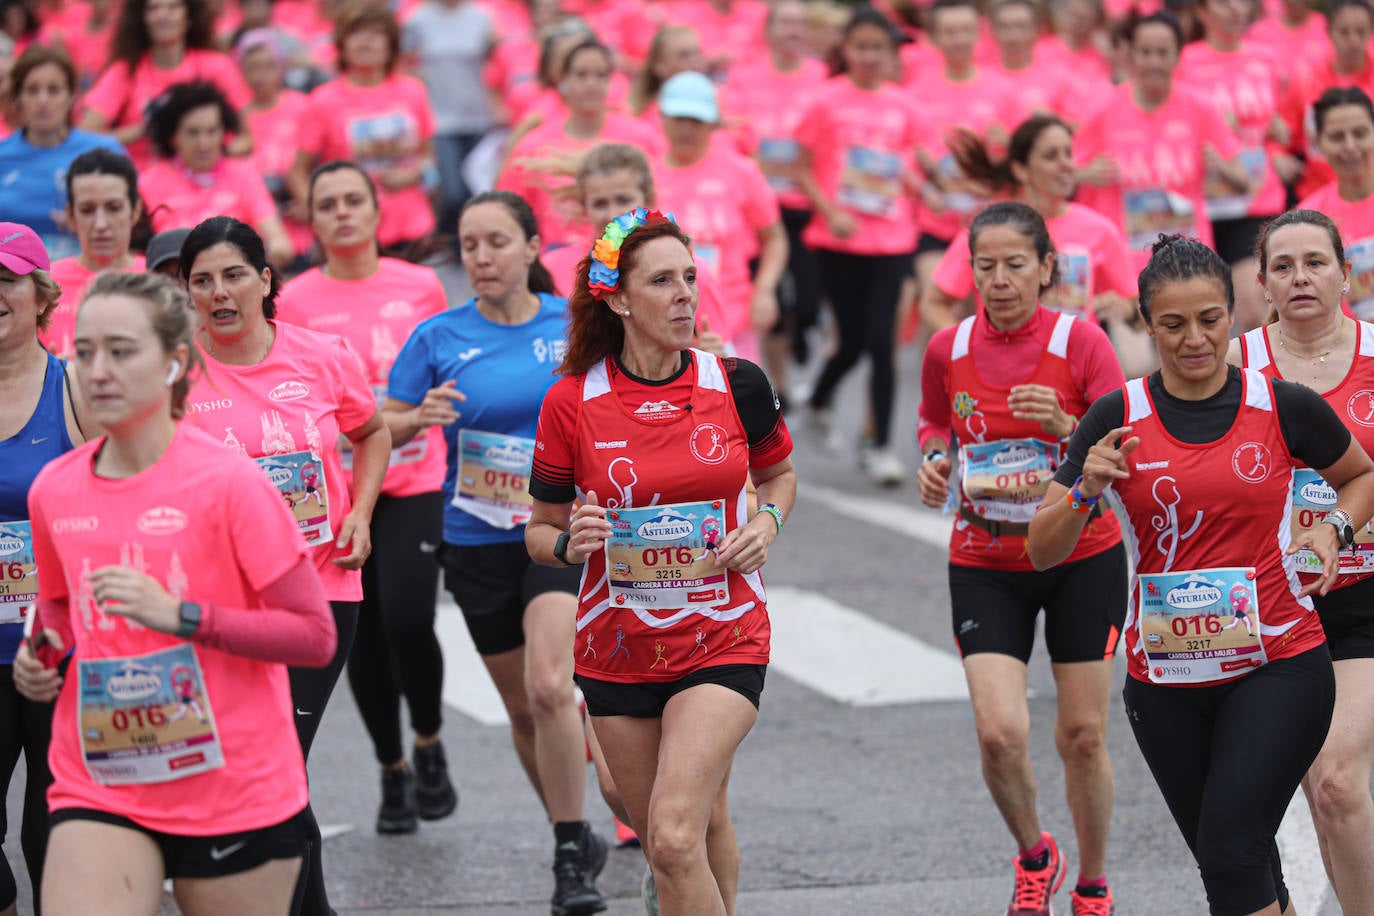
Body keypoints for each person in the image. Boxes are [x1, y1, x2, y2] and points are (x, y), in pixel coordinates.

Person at [1028, 235, 1374, 916]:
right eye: (1174, 324)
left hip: (1277, 661)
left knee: (1232, 847)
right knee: (1232, 870)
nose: (1194, 340)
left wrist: (1335, 531)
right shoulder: (1116, 416)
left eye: (1211, 320)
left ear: (1233, 315)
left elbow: (1361, 476)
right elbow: (1041, 549)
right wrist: (1082, 489)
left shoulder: (1283, 405)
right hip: (1166, 684)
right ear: (1146, 320)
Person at [15, 270, 337, 916]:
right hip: (102, 776)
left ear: (176, 363)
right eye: (84, 352)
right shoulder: (54, 488)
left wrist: (182, 616)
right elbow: (57, 606)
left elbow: (313, 635)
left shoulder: (231, 485)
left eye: (122, 350)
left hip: (232, 783)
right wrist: (40, 654)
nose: (98, 370)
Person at [526, 209, 796, 916]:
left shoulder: (734, 382)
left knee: (675, 838)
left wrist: (766, 521)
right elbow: (539, 529)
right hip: (617, 647)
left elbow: (781, 475)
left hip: (724, 632)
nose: (684, 295)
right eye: (661, 282)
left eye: (689, 277)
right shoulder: (571, 402)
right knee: (671, 838)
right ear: (617, 299)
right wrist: (569, 543)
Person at [383, 191, 607, 914]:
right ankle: (570, 829)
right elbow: (382, 422)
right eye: (470, 245)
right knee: (520, 710)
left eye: (497, 242)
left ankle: (568, 857)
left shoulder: (570, 326)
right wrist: (416, 418)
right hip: (474, 537)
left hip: (556, 533)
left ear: (533, 246)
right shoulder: (438, 337)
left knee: (550, 687)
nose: (481, 257)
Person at [918, 202, 1126, 916]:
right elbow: (932, 422)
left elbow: (1125, 448)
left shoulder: (1083, 342)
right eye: (986, 266)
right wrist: (933, 462)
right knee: (1000, 732)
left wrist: (1067, 427)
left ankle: (1093, 881)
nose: (1000, 281)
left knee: (1082, 734)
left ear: (1047, 269)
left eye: (1015, 265)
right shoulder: (948, 347)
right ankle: (1037, 852)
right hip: (984, 558)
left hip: (1079, 556)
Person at [178, 216, 389, 916]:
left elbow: (371, 431)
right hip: (227, 605)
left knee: (278, 758)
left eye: (234, 274)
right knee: (265, 768)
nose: (220, 292)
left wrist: (358, 512)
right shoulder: (178, 376)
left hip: (319, 592)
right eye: (202, 280)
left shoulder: (322, 356)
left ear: (266, 281)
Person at [278, 161, 456, 837]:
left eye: (355, 200)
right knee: (367, 635)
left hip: (412, 477)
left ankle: (430, 739)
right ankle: (391, 769)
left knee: (410, 618)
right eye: (328, 203)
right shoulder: (294, 298)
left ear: (378, 211)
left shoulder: (419, 285)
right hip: (335, 491)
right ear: (313, 219)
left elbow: (446, 365)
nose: (343, 213)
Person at [1234, 210, 1374, 915]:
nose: (1300, 278)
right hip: (1267, 607)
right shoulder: (1236, 367)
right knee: (1283, 796)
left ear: (1345, 273)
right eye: (1282, 267)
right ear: (1261, 285)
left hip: (1365, 602)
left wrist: (1340, 529)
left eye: (1315, 262)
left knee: (1336, 780)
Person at [0, 223, 92, 916]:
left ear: (39, 294)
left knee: (54, 825)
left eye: (5, 282)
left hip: (63, 646)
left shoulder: (76, 389)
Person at [794, 5, 926, 485]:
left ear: (892, 54)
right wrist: (831, 212)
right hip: (837, 240)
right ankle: (818, 397)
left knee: (880, 342)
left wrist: (919, 184)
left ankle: (879, 446)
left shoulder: (906, 107)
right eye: (862, 46)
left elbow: (909, 164)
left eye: (879, 47)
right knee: (849, 341)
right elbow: (801, 168)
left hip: (892, 239)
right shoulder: (825, 101)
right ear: (846, 50)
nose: (870, 55)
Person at [922, 116, 1146, 372]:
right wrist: (968, 354)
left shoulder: (1100, 230)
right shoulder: (991, 228)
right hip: (1004, 374)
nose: (1066, 165)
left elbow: (1141, 319)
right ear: (1021, 170)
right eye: (1051, 156)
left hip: (1076, 377)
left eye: (1068, 154)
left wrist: (1127, 311)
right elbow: (934, 302)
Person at [1075, 11, 1252, 272]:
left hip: (1187, 256)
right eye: (1145, 53)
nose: (1153, 63)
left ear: (1179, 56)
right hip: (1123, 259)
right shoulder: (1102, 108)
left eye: (1162, 53)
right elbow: (1062, 175)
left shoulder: (1200, 108)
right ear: (1131, 56)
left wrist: (1222, 168)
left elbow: (1245, 181)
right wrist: (1085, 173)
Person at [721, 0, 827, 408]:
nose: (792, 31)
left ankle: (804, 333)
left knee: (807, 302)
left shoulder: (820, 76)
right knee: (770, 300)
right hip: (757, 205)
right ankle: (778, 384)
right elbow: (731, 133)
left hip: (804, 203)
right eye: (784, 23)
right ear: (768, 31)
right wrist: (755, 160)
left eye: (799, 24)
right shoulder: (745, 78)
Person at [653, 71, 787, 363]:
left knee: (740, 403)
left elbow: (775, 237)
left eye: (696, 121)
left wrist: (765, 291)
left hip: (733, 317)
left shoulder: (741, 171)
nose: (686, 129)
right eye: (679, 119)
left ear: (712, 123)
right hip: (664, 323)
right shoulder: (646, 175)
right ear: (662, 117)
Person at [1175, 0, 1292, 331]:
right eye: (1224, 3)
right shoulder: (1186, 61)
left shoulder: (1265, 58)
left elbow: (1280, 122)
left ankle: (1252, 380)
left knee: (1254, 309)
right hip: (1201, 202)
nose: (1236, 9)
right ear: (1202, 12)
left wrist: (1278, 141)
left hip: (1255, 195)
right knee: (1203, 310)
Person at [287, 2, 437, 252]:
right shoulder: (323, 100)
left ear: (391, 44)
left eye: (376, 34)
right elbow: (297, 172)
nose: (366, 41)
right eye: (356, 33)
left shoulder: (413, 91)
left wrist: (412, 174)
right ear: (342, 44)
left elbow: (428, 156)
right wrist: (320, 213)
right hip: (352, 233)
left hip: (412, 227)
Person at [497, 37, 663, 252]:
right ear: (563, 81)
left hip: (630, 251)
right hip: (558, 255)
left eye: (600, 75)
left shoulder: (642, 136)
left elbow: (662, 196)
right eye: (581, 75)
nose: (591, 83)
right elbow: (509, 211)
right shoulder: (535, 145)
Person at [80, 0, 252, 170]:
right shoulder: (125, 70)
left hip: (206, 184)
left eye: (173, 7)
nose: (163, 15)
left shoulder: (218, 67)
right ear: (142, 18)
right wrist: (143, 130)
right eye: (154, 8)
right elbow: (84, 137)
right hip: (141, 181)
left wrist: (210, 152)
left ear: (189, 17)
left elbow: (247, 140)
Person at [139, 81, 294, 268]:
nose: (204, 144)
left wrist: (275, 250)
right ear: (173, 137)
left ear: (224, 132)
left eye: (212, 131)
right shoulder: (149, 183)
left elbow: (278, 238)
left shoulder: (243, 173)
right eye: (192, 133)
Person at [0, 46, 124, 260]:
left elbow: (135, 221)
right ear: (17, 98)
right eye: (32, 90)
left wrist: (89, 222)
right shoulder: (3, 156)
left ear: (72, 97)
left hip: (90, 273)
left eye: (54, 90)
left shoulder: (107, 152)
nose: (43, 100)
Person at [400, 0, 496, 231]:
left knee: (477, 191)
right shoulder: (417, 20)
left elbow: (493, 64)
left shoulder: (481, 17)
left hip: (478, 118)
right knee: (452, 192)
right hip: (439, 119)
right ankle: (449, 242)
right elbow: (404, 64)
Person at [46, 149, 147, 359]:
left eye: (113, 208)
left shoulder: (157, 278)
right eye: (87, 210)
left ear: (135, 211)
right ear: (71, 216)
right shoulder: (44, 286)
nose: (101, 224)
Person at [1280, 0, 1374, 201]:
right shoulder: (1305, 80)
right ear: (1329, 32)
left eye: (1360, 31)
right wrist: (1276, 156)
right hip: (1317, 197)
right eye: (1344, 32)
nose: (1353, 40)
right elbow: (1283, 137)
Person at [236, 29, 313, 266]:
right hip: (262, 226)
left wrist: (311, 203)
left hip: (303, 221)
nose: (261, 75)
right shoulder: (239, 116)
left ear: (282, 68)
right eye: (253, 67)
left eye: (269, 66)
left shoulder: (303, 106)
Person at [1297, 88, 1374, 318]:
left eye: (1360, 133)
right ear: (1318, 144)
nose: (1350, 146)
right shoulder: (1307, 218)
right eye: (1337, 137)